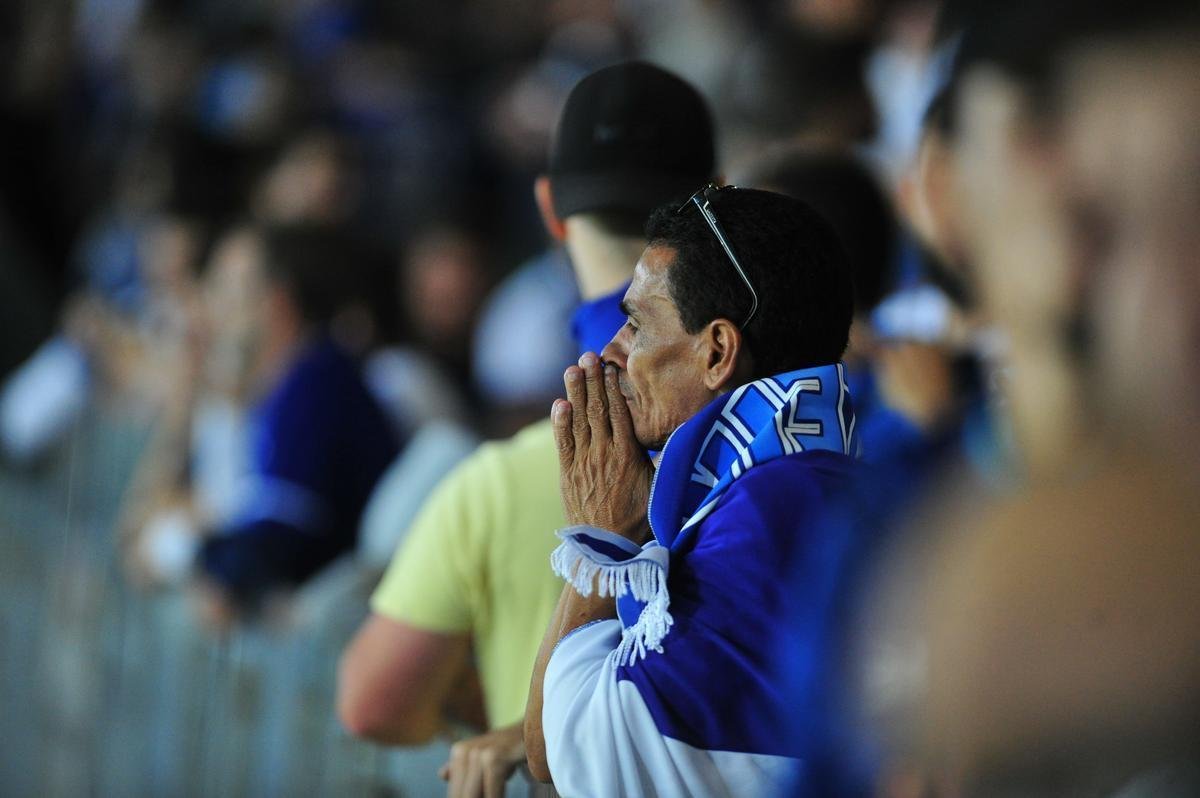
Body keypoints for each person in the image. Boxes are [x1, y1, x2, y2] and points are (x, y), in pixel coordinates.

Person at [336, 61, 716, 795]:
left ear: (548, 209)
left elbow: (371, 701)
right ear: (719, 200)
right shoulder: (762, 408)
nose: (618, 361)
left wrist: (494, 717)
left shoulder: (500, 476)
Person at [524, 185, 859, 796]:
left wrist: (601, 542)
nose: (610, 352)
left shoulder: (768, 511)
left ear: (718, 352)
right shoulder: (794, 482)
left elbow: (583, 756)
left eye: (635, 324)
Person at [123, 221, 400, 621]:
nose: (214, 307)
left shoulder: (316, 381)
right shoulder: (278, 392)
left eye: (230, 291)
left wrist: (184, 547)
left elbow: (276, 548)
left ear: (276, 301)